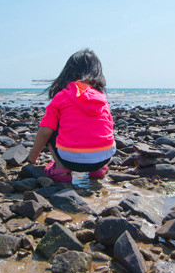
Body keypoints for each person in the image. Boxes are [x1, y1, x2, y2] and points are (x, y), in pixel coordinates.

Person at [27, 49, 115, 182]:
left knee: (50, 128)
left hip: (70, 160)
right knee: (98, 126)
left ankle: (61, 169)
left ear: (68, 71)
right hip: (103, 157)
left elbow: (45, 130)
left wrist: (33, 155)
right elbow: (109, 125)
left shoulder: (62, 96)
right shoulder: (101, 97)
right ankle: (99, 169)